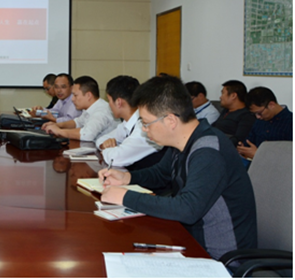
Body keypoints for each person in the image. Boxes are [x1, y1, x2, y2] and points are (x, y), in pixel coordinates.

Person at [98, 75, 257, 260]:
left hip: (219, 257)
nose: (144, 130)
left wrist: (126, 197)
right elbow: (160, 174)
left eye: (146, 123)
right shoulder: (182, 142)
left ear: (171, 121)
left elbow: (187, 209)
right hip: (189, 240)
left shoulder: (208, 151)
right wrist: (127, 178)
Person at [96, 75, 165, 170]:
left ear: (119, 102)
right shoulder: (127, 123)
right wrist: (104, 145)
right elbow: (101, 139)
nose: (109, 105)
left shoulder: (145, 127)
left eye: (109, 100)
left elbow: (115, 158)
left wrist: (107, 149)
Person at [42, 76, 116, 141]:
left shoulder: (101, 111)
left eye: (75, 95)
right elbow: (77, 122)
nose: (72, 99)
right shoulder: (89, 108)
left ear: (88, 95)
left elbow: (86, 135)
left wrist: (59, 131)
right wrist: (58, 125)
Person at [237, 86, 293, 162]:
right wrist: (243, 149)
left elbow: (289, 156)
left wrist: (259, 154)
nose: (258, 117)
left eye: (259, 113)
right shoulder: (260, 121)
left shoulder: (290, 121)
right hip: (253, 163)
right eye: (254, 114)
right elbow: (249, 141)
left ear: (271, 105)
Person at [212, 80, 255, 146]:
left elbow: (238, 139)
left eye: (223, 93)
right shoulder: (226, 110)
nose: (220, 97)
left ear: (233, 95)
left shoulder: (246, 115)